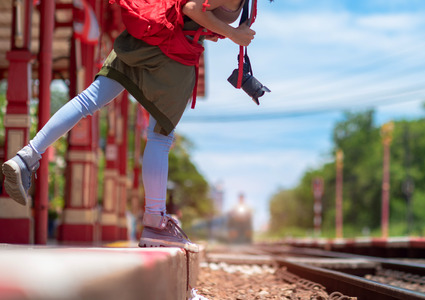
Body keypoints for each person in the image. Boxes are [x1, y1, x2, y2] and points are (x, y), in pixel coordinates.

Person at [2, 0, 256, 252]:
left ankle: (27, 155)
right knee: (160, 136)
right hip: (170, 53)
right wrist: (233, 34)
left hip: (144, 35)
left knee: (87, 100)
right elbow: (191, 7)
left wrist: (211, 31)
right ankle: (155, 222)